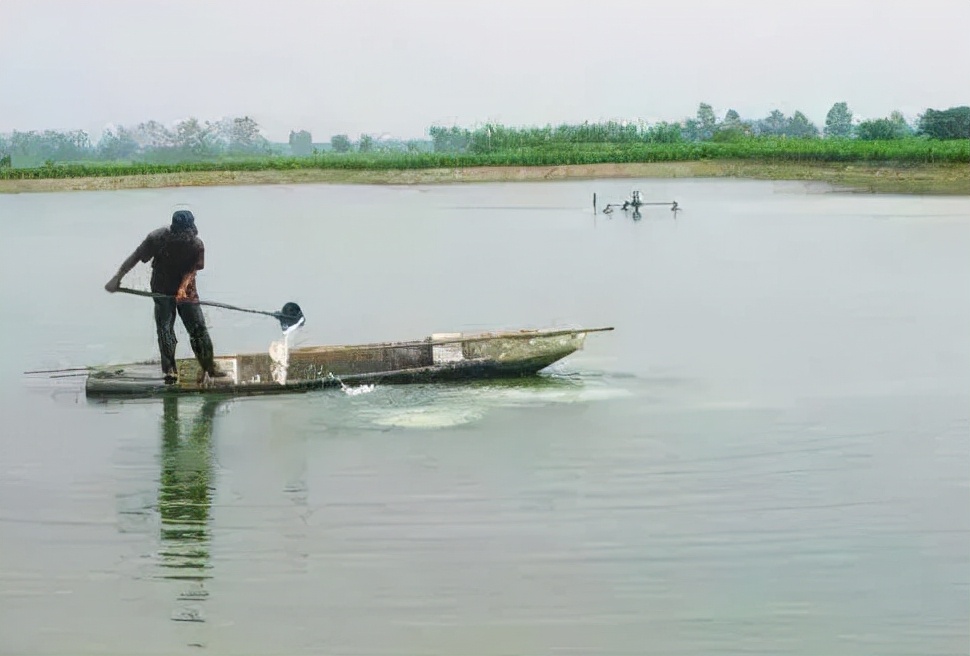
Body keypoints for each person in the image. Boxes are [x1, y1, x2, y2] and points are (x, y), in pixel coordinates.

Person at [104, 210, 225, 384]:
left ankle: (209, 367)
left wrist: (183, 288)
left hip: (187, 290)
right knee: (165, 328)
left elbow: (192, 270)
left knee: (198, 328)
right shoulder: (157, 238)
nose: (184, 235)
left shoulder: (196, 245)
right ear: (174, 228)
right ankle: (169, 369)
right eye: (180, 232)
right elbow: (136, 256)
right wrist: (117, 278)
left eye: (187, 232)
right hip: (162, 287)